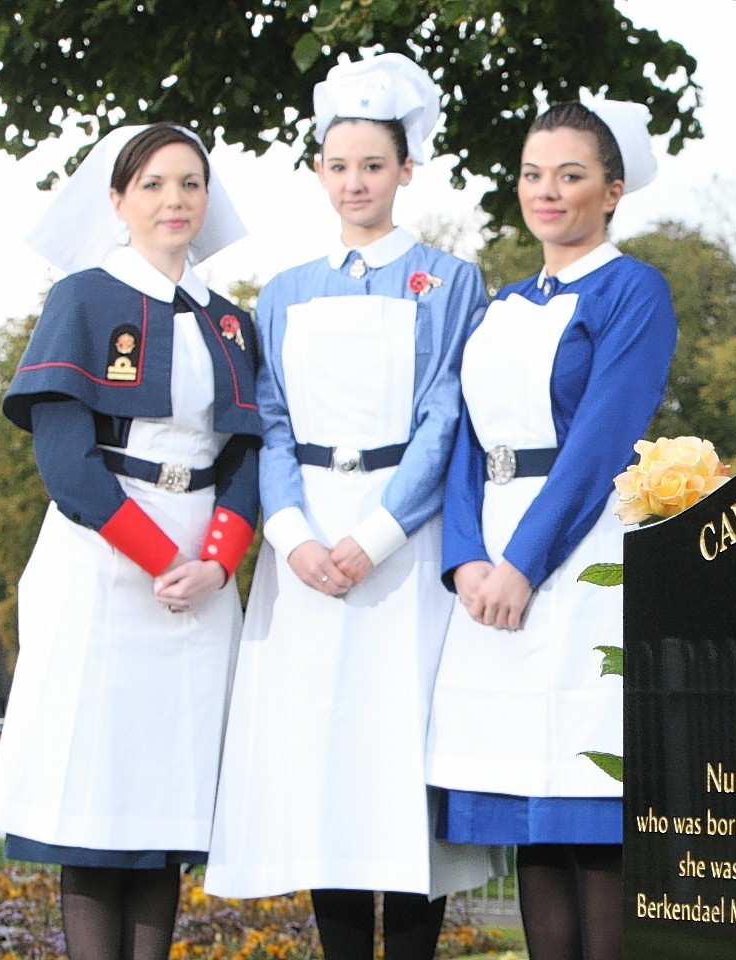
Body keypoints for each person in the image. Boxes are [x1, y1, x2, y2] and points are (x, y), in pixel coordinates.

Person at [202, 53, 501, 960]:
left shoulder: (452, 282)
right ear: (319, 172)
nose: (355, 182)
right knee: (326, 771)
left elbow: (446, 415)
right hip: (306, 556)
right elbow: (273, 421)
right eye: (338, 165)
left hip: (402, 553)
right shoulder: (283, 290)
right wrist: (293, 540)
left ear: (406, 170)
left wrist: (372, 539)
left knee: (396, 769)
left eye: (373, 164)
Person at [0, 123, 260, 960]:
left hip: (200, 581)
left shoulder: (232, 322)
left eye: (189, 183)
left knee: (166, 809)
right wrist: (160, 558)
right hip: (103, 563)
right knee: (97, 812)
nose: (173, 200)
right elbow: (66, 462)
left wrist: (217, 559)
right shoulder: (83, 297)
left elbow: (247, 451)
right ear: (117, 201)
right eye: (152, 185)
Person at [426, 96, 678, 960]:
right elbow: (463, 438)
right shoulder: (499, 303)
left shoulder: (633, 291)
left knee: (584, 796)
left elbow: (601, 443)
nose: (548, 192)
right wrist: (464, 559)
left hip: (577, 558)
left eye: (570, 175)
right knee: (532, 813)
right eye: (534, 174)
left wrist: (523, 565)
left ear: (610, 191)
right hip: (488, 561)